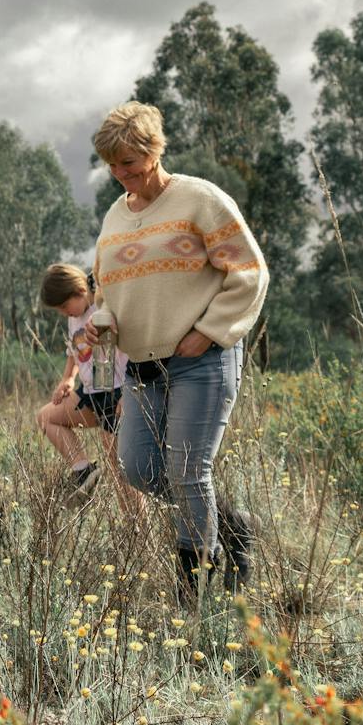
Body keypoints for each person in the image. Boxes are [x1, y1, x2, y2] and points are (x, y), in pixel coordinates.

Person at [89, 101, 268, 603]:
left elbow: (249, 271)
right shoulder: (114, 217)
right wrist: (100, 327)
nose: (121, 174)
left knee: (189, 471)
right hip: (142, 365)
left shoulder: (198, 200)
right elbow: (106, 294)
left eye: (130, 162)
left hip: (200, 361)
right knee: (139, 469)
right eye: (113, 164)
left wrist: (211, 330)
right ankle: (232, 524)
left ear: (154, 151)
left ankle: (194, 595)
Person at [35, 263, 144, 520]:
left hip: (118, 393)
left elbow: (136, 347)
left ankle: (139, 535)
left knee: (122, 475)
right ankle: (83, 471)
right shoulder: (75, 317)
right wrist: (68, 379)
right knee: (46, 417)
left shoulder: (105, 307)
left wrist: (130, 392)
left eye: (64, 307)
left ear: (80, 290)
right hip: (91, 393)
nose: (64, 314)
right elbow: (73, 353)